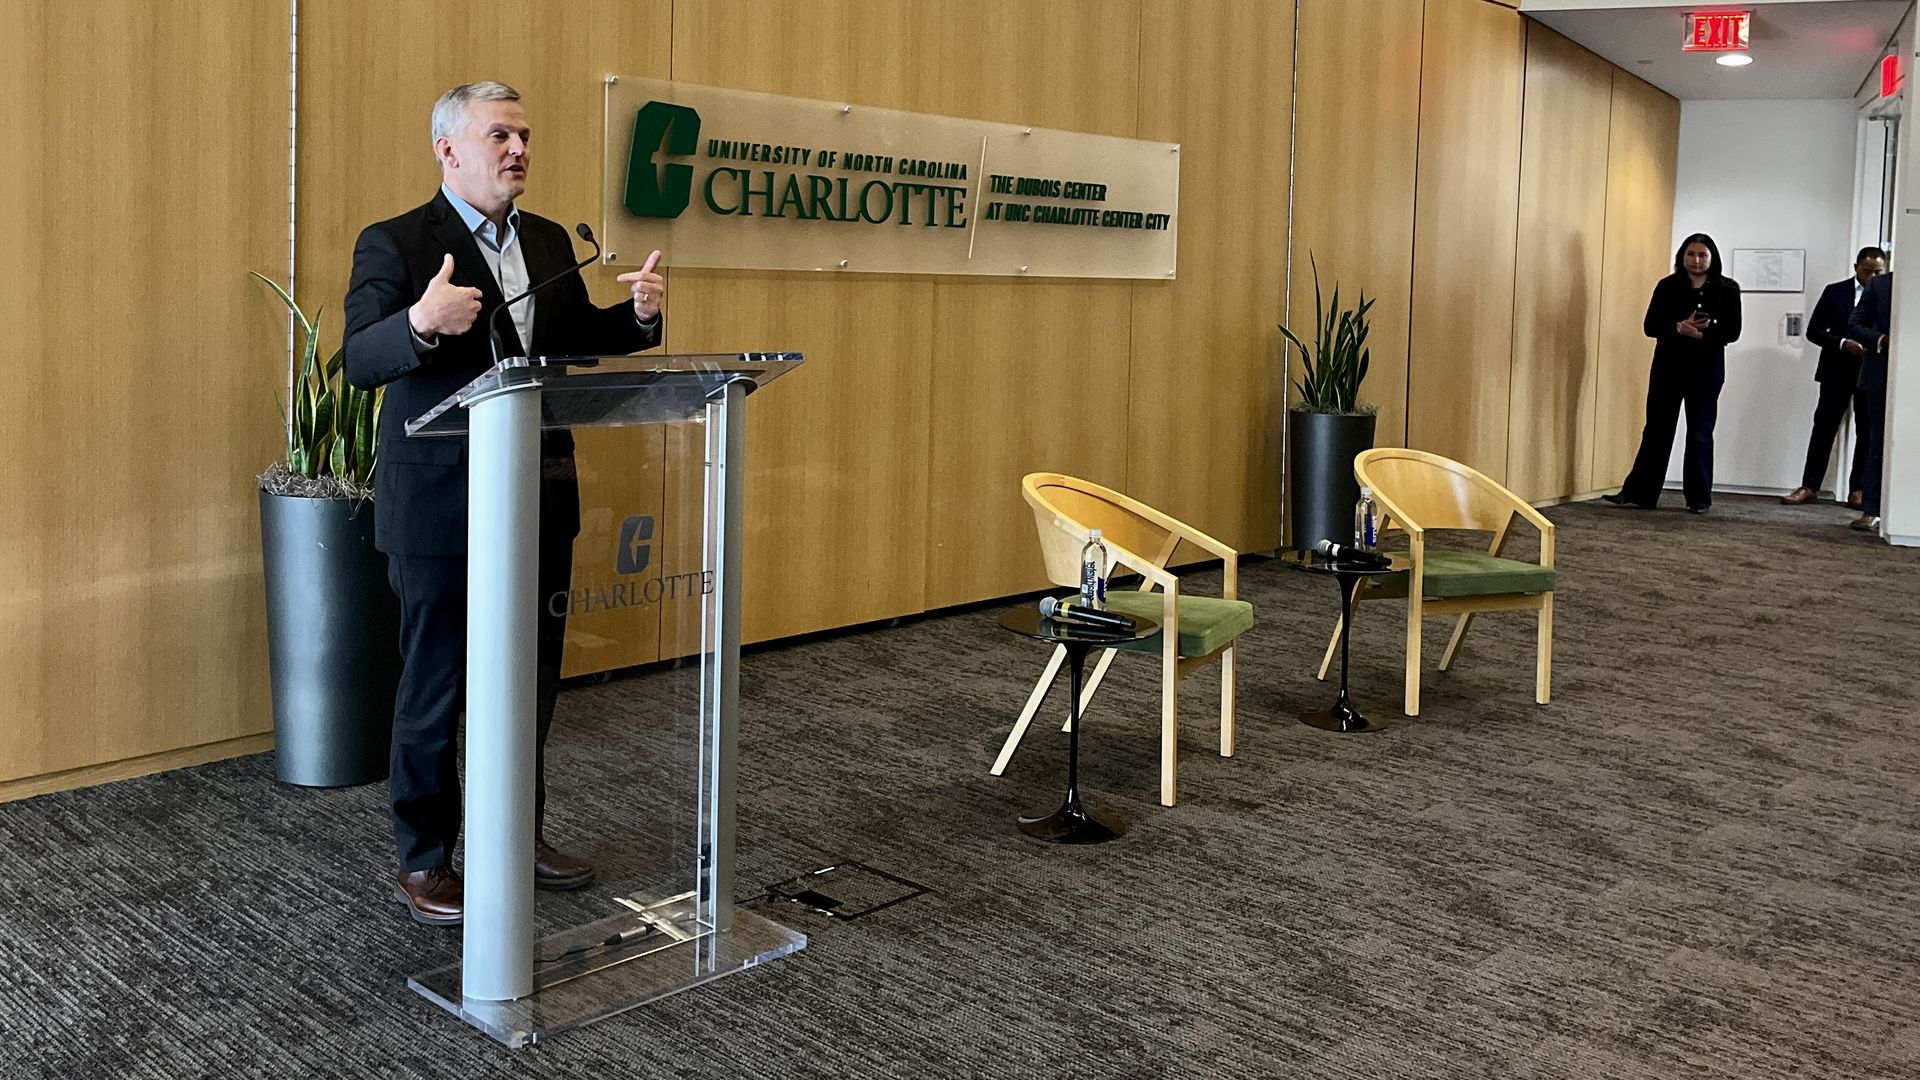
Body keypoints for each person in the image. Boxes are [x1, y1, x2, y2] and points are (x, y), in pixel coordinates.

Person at [344, 82, 666, 926]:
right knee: (437, 685)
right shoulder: (398, 242)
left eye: (524, 135)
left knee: (530, 682)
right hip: (441, 507)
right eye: (501, 135)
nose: (519, 149)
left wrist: (633, 319)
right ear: (449, 149)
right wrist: (419, 320)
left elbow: (571, 342)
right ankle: (424, 858)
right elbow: (358, 358)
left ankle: (514, 832)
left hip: (538, 498)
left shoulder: (553, 241)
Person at [1603, 233, 1743, 513]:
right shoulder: (1668, 286)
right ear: (1682, 256)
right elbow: (1650, 325)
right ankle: (1641, 493)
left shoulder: (1727, 288)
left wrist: (1702, 333)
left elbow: (1733, 331)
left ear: (1712, 258)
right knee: (1657, 429)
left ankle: (1699, 498)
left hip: (1707, 369)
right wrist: (1679, 327)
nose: (1697, 260)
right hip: (1669, 366)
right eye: (1691, 254)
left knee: (1700, 432)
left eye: (1703, 255)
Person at [1782, 247, 1885, 507]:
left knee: (1867, 432)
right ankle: (1809, 486)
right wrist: (1842, 343)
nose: (1872, 277)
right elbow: (1814, 331)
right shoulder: (1835, 291)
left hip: (1869, 371)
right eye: (1866, 271)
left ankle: (1859, 490)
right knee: (1824, 429)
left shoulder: (1887, 294)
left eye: (1878, 272)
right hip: (1836, 370)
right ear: (1855, 267)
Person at [1846, 269, 1892, 533]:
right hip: (1879, 376)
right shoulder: (1880, 285)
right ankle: (1871, 509)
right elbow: (1855, 324)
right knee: (1878, 442)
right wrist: (1881, 339)